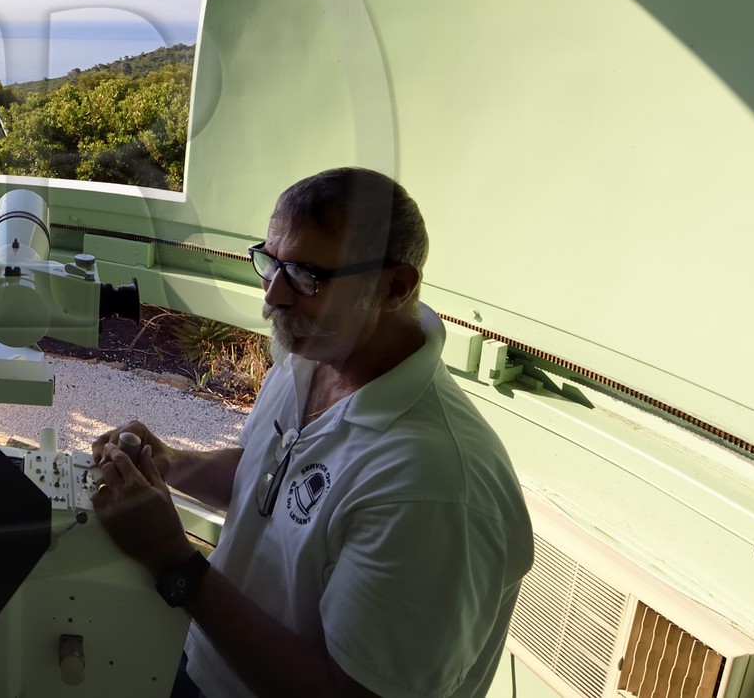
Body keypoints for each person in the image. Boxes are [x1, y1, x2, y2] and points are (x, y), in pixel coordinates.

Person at [90, 167, 533, 698]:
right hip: (204, 667)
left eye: (305, 275)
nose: (272, 296)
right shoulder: (309, 354)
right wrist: (172, 465)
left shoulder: (433, 486)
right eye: (270, 263)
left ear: (393, 287)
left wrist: (172, 561)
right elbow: (270, 480)